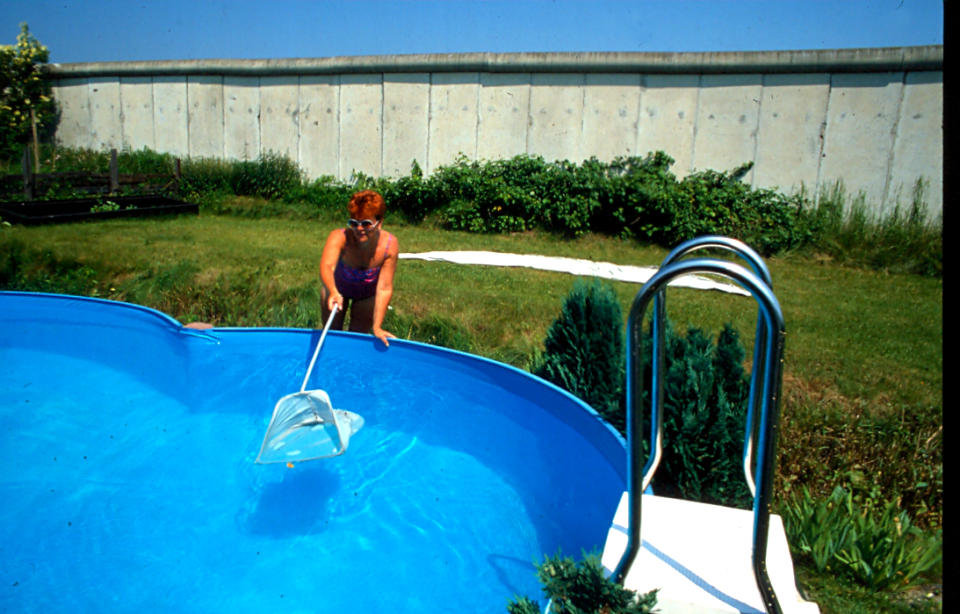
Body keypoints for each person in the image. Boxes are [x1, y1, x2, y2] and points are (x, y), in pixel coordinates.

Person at [319, 189, 398, 347]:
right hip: (336, 289)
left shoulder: (390, 246)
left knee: (357, 339)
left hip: (366, 294)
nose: (359, 229)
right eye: (354, 223)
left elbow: (384, 288)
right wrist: (333, 291)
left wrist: (377, 327)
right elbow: (327, 266)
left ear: (379, 222)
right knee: (332, 336)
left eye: (366, 224)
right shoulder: (339, 237)